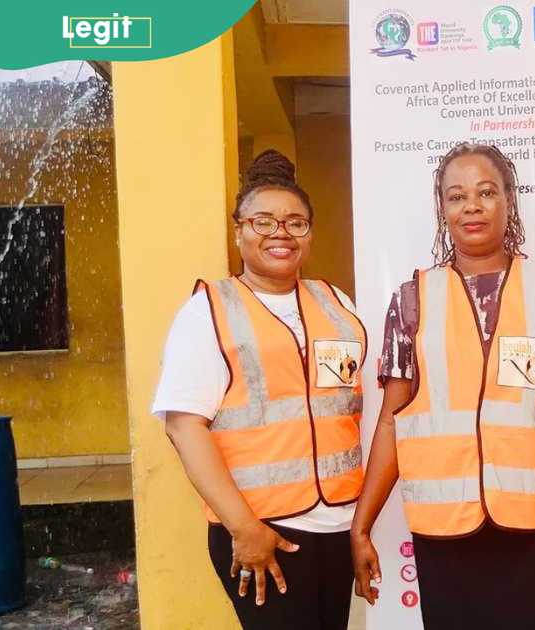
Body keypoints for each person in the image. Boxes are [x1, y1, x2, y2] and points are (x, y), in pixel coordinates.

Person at [349, 142, 535, 629]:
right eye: (456, 196)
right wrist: (362, 525)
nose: (471, 206)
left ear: (509, 200)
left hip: (529, 523)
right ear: (441, 210)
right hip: (443, 527)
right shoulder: (412, 300)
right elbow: (390, 422)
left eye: (486, 192)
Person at [151, 150, 367, 629]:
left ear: (310, 232)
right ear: (239, 230)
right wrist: (244, 528)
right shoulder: (208, 310)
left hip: (335, 525)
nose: (280, 234)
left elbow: (350, 409)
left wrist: (360, 526)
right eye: (263, 222)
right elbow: (184, 427)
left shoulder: (337, 304)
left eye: (295, 223)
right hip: (264, 531)